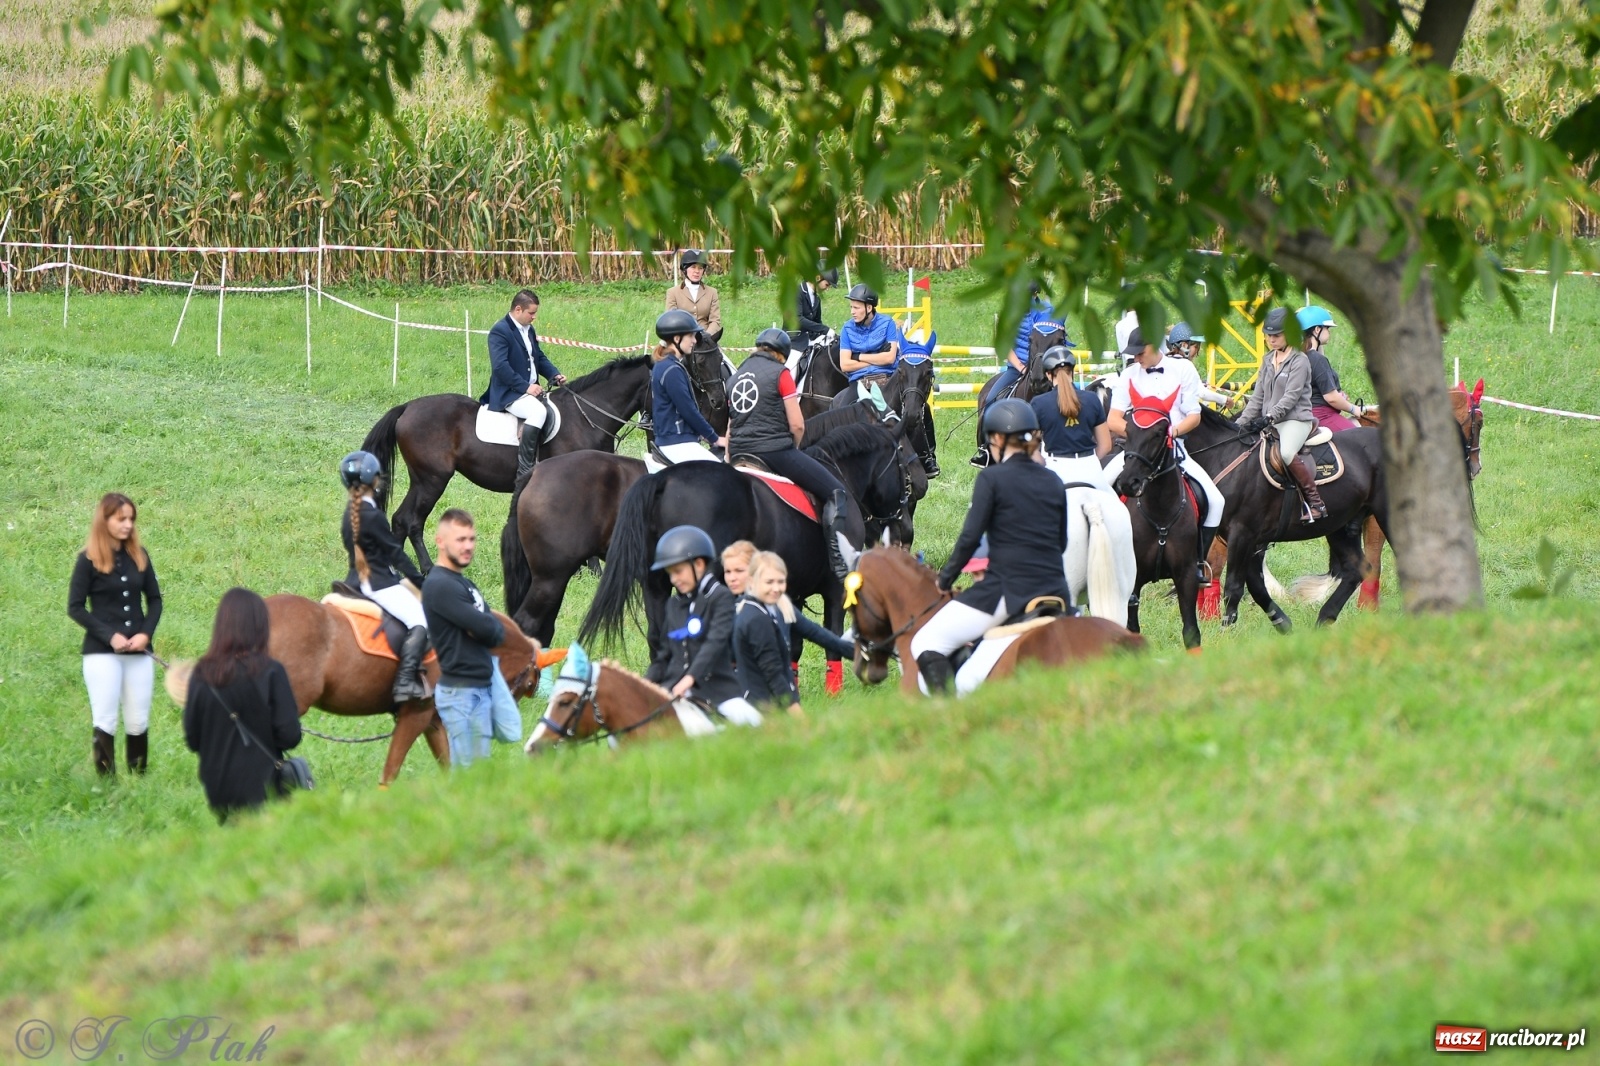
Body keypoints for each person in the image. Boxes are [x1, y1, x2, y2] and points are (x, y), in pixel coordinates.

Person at [908, 399, 1070, 695]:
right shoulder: (1053, 480)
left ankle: (949, 714)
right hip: (1058, 590)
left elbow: (970, 538)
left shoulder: (992, 478)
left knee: (924, 642)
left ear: (996, 439)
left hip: (1009, 591)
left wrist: (944, 580)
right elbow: (1061, 543)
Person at [728, 327, 865, 579]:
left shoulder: (736, 376)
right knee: (835, 492)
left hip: (738, 451)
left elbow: (730, 425)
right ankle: (837, 561)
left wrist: (730, 458)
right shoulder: (781, 374)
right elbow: (798, 424)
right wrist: (795, 448)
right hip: (773, 452)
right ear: (782, 355)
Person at [1104, 327, 1226, 581]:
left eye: (1140, 353)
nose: (1136, 359)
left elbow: (1194, 415)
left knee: (1216, 501)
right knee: (1101, 488)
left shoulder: (1183, 370)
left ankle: (1197, 561)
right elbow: (1113, 419)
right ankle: (1106, 558)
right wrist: (1143, 436)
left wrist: (1171, 432)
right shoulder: (1129, 375)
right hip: (1138, 450)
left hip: (1175, 448)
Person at [182, 587, 303, 822]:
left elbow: (193, 739)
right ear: (260, 627)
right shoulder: (270, 671)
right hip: (264, 785)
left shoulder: (200, 674)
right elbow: (290, 736)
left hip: (218, 788)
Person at [68, 492, 163, 775]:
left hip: (139, 654)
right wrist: (110, 636)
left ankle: (138, 781)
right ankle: (106, 786)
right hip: (101, 655)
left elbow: (155, 600)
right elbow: (75, 607)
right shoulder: (87, 560)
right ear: (104, 519)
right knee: (106, 720)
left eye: (131, 519)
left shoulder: (140, 555)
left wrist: (145, 634)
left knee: (138, 721)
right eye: (121, 519)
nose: (128, 525)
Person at [645, 526, 762, 726]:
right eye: (670, 574)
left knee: (755, 725)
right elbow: (664, 655)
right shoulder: (674, 604)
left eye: (678, 572)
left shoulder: (720, 597)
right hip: (673, 689)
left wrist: (689, 678)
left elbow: (714, 644)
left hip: (717, 690)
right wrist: (643, 685)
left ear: (698, 564)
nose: (674, 580)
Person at [339, 450, 430, 704]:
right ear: (374, 480)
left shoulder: (351, 512)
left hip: (355, 580)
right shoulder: (372, 515)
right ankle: (404, 683)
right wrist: (420, 582)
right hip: (378, 584)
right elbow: (396, 554)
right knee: (420, 620)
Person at [421, 509, 507, 769]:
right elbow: (488, 628)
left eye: (471, 539)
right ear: (440, 541)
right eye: (460, 540)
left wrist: (484, 626)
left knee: (477, 775)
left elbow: (496, 630)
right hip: (461, 694)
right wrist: (484, 625)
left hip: (478, 690)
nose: (468, 546)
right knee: (469, 776)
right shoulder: (440, 586)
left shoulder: (465, 584)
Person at [733, 551, 854, 715]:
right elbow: (772, 671)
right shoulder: (752, 616)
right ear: (752, 582)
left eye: (780, 582)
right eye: (769, 582)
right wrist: (795, 711)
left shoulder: (781, 606)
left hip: (778, 702)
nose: (776, 588)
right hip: (756, 707)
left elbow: (817, 634)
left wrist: (861, 652)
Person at [1237, 308, 1327, 520]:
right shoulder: (1267, 360)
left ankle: (1316, 503)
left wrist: (1268, 417)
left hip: (1295, 419)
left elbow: (1291, 397)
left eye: (1276, 335)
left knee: (1286, 453)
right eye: (1268, 335)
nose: (1271, 339)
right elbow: (1257, 398)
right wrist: (1239, 425)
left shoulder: (1300, 361)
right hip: (1272, 421)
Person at [483, 290, 568, 491]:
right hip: (509, 392)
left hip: (531, 390)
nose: (534, 317)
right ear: (518, 309)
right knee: (538, 412)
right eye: (531, 313)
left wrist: (554, 375)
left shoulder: (528, 329)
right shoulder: (500, 331)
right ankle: (525, 470)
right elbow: (500, 367)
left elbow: (538, 357)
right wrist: (526, 387)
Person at [650, 309, 728, 464]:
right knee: (719, 472)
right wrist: (715, 438)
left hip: (677, 440)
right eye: (691, 336)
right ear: (677, 339)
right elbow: (688, 410)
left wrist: (703, 434)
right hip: (677, 443)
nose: (694, 340)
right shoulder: (672, 370)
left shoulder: (666, 364)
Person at [1030, 345, 1112, 491]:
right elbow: (1106, 445)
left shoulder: (1039, 403)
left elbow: (1032, 449)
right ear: (1072, 372)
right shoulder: (1092, 399)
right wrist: (1087, 463)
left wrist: (1042, 465)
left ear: (1049, 375)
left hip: (1056, 469)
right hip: (1091, 470)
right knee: (1119, 511)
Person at [1298, 306, 1368, 431]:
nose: (1329, 332)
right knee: (1362, 439)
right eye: (1327, 328)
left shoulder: (1300, 356)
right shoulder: (1317, 360)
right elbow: (1331, 398)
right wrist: (1354, 409)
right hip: (1322, 416)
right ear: (1317, 329)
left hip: (1304, 413)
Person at [986, 283, 1059, 404]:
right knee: (989, 400)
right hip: (1017, 367)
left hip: (1046, 368)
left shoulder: (1048, 311)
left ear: (1035, 295)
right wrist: (1020, 366)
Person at [837, 284, 902, 382]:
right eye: (851, 307)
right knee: (840, 398)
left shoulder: (888, 323)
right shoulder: (846, 329)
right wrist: (878, 358)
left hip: (887, 378)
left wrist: (857, 356)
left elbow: (889, 359)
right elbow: (845, 365)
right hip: (859, 381)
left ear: (869, 308)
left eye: (856, 308)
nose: (852, 312)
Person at [1165, 322, 1233, 407]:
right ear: (1184, 345)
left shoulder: (1165, 362)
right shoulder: (1186, 365)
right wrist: (1225, 399)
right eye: (1196, 347)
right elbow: (1202, 393)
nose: (1197, 352)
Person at [664, 249, 722, 339]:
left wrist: (707, 336)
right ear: (685, 269)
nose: (697, 271)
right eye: (693, 267)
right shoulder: (672, 293)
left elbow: (715, 321)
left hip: (706, 339)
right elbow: (672, 321)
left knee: (721, 353)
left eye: (700, 268)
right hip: (682, 339)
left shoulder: (712, 292)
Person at [796, 264, 839, 341]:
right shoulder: (797, 292)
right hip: (794, 341)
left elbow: (817, 322)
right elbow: (797, 319)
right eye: (827, 285)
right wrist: (825, 329)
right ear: (818, 277)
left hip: (810, 339)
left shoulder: (817, 299)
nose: (827, 289)